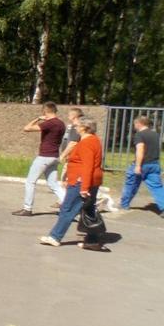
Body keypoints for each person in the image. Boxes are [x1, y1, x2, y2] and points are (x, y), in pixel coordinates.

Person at [41, 116, 105, 249]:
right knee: (88, 209)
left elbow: (87, 166)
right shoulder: (94, 140)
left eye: (77, 126)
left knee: (67, 208)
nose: (75, 128)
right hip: (90, 180)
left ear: (84, 127)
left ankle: (55, 237)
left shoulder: (87, 143)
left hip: (81, 181)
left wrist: (84, 187)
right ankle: (92, 241)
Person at [12, 102, 67, 216]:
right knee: (53, 183)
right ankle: (68, 203)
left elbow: (26, 128)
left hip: (44, 157)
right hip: (55, 156)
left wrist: (38, 119)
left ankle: (27, 208)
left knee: (30, 182)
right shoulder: (61, 124)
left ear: (45, 111)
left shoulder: (49, 123)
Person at [119, 115, 164, 216]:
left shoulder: (139, 135)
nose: (134, 126)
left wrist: (138, 165)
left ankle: (124, 204)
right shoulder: (155, 134)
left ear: (139, 123)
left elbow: (140, 149)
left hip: (143, 164)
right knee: (157, 187)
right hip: (154, 164)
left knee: (131, 184)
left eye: (134, 124)